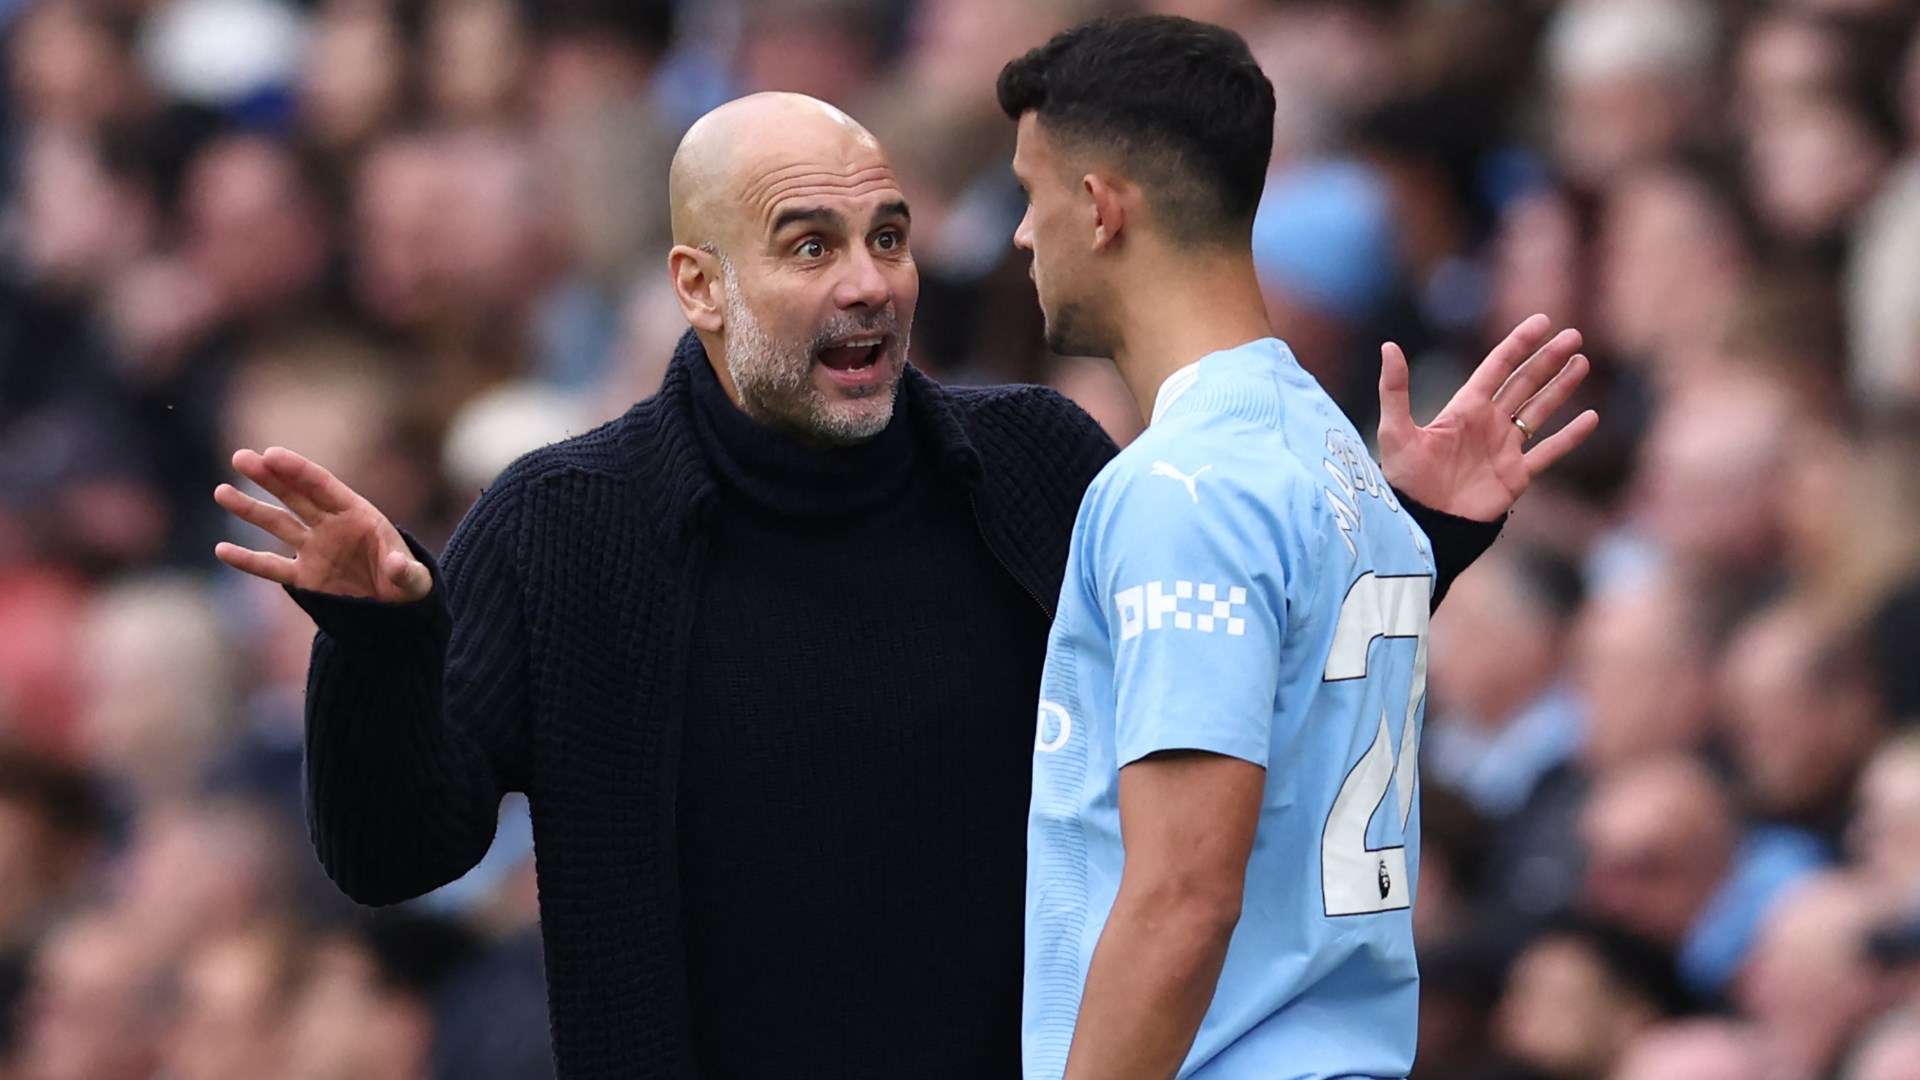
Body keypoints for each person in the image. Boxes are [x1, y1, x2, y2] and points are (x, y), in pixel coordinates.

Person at [212, 92, 1587, 1079]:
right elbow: (396, 856)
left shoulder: (1038, 463)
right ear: (699, 284)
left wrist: (1408, 535)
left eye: (889, 234)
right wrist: (378, 639)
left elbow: (1233, 694)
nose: (870, 283)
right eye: (809, 245)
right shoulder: (566, 525)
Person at [999, 16, 1595, 1079]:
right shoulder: (1335, 458)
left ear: (1097, 206)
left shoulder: (1183, 486)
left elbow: (1184, 896)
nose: (1019, 235)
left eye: (1030, 193)